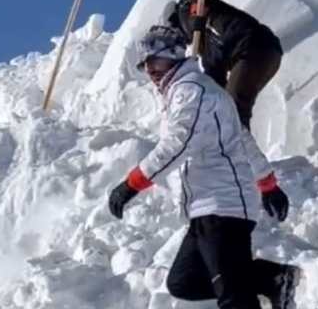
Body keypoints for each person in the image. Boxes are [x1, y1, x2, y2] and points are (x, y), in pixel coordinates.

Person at [107, 26, 299, 309]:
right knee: (183, 282)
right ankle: (270, 279)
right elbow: (241, 139)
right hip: (203, 209)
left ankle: (265, 282)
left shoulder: (192, 91)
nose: (150, 69)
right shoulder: (189, 92)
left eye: (155, 60)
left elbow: (178, 143)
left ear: (173, 56)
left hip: (222, 206)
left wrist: (131, 184)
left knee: (234, 299)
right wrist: (267, 183)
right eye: (145, 64)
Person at [167, 0, 283, 131]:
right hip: (264, 55)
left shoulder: (184, 7)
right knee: (227, 109)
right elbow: (216, 83)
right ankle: (236, 149)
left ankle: (243, 151)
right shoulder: (205, 49)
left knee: (233, 107)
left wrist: (195, 12)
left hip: (253, 45)